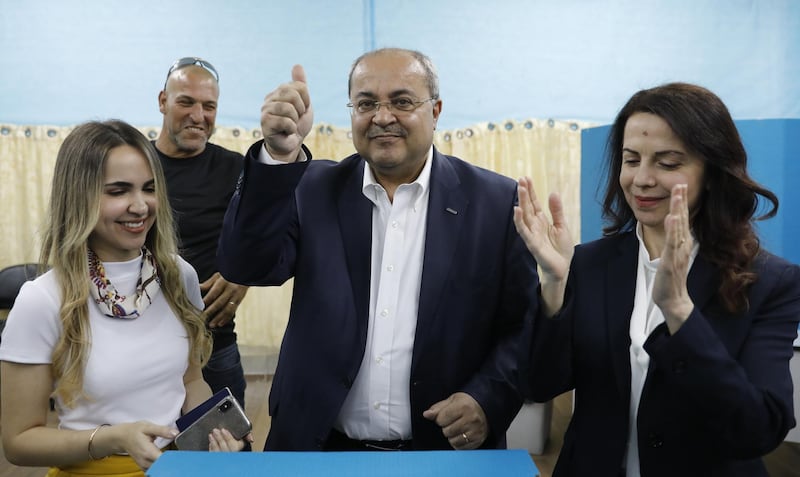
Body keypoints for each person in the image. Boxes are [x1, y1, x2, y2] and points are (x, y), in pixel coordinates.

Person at [217, 47, 539, 451]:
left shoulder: (494, 202)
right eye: (366, 103)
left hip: (442, 453)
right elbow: (245, 264)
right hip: (319, 447)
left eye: (402, 101)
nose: (382, 117)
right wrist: (279, 157)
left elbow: (521, 326)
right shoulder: (314, 188)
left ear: (436, 111)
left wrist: (487, 400)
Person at [514, 83, 800, 476]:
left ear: (713, 173)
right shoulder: (591, 263)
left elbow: (758, 430)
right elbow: (538, 385)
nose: (643, 179)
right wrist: (553, 286)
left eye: (667, 163)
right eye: (632, 160)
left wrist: (680, 313)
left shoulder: (769, 282)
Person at [0, 120, 247, 476]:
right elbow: (19, 441)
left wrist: (212, 433)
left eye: (148, 189)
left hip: (176, 468)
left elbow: (190, 380)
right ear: (78, 196)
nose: (140, 206)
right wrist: (113, 438)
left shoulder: (179, 276)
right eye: (118, 191)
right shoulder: (42, 300)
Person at [154, 57, 249, 415]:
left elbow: (270, 234)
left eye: (209, 106)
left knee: (228, 459)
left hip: (214, 343)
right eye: (186, 102)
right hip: (140, 345)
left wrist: (243, 275)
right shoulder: (135, 165)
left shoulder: (236, 168)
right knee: (148, 460)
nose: (199, 115)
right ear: (163, 101)